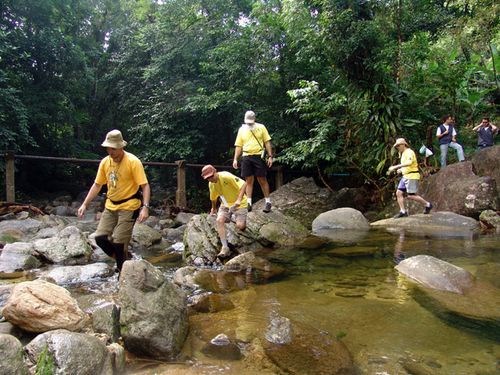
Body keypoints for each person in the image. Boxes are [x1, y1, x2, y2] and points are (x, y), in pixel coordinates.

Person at [78, 129, 151, 274]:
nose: (110, 152)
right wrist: (85, 204)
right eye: (108, 149)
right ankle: (124, 258)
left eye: (113, 149)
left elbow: (145, 185)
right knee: (100, 238)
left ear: (121, 147)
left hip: (129, 205)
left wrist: (145, 207)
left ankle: (121, 270)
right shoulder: (105, 162)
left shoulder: (133, 162)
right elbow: (97, 185)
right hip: (111, 205)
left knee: (119, 241)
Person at [201, 164, 248, 257]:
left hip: (240, 203)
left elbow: (244, 184)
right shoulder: (211, 184)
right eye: (208, 178)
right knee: (219, 220)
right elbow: (213, 198)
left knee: (240, 226)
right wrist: (213, 208)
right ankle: (225, 247)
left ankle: (238, 219)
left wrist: (239, 199)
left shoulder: (226, 176)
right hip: (225, 204)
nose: (210, 179)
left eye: (211, 176)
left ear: (215, 172)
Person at [233, 110, 273, 213]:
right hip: (246, 156)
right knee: (248, 180)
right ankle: (249, 203)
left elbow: (267, 142)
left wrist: (270, 156)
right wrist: (235, 159)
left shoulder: (261, 127)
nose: (249, 123)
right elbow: (239, 146)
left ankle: (268, 202)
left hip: (258, 155)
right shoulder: (242, 129)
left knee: (262, 179)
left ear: (254, 119)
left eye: (251, 122)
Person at [388, 138, 432, 218]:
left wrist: (396, 166)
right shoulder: (403, 153)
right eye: (397, 146)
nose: (397, 147)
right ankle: (403, 211)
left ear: (403, 144)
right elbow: (408, 165)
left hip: (411, 176)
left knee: (411, 195)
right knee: (399, 193)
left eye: (398, 146)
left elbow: (409, 163)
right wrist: (401, 170)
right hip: (405, 176)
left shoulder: (409, 152)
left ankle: (428, 204)